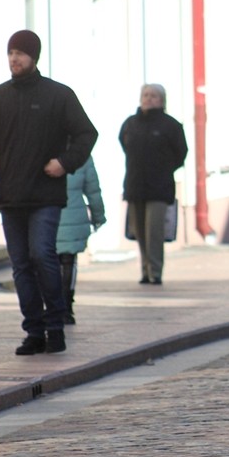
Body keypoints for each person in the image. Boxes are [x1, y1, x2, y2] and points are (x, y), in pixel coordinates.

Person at [0, 29, 99, 355]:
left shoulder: (58, 95)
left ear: (34, 57)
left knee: (42, 254)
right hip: (11, 196)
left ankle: (56, 326)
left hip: (46, 195)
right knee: (21, 264)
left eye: (21, 53)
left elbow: (86, 134)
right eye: (11, 53)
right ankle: (34, 331)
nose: (14, 58)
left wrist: (64, 163)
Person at [119, 83, 187, 286]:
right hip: (135, 185)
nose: (148, 99)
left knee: (154, 231)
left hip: (159, 187)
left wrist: (163, 170)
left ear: (162, 100)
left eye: (154, 96)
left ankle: (155, 271)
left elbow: (180, 154)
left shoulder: (171, 125)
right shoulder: (130, 123)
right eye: (146, 95)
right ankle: (144, 270)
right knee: (139, 232)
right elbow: (124, 145)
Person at [55, 156, 105, 325]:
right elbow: (93, 190)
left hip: (48, 216)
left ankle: (53, 305)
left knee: (49, 262)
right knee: (69, 262)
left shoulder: (43, 148)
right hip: (74, 215)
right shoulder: (81, 155)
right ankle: (67, 305)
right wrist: (98, 216)